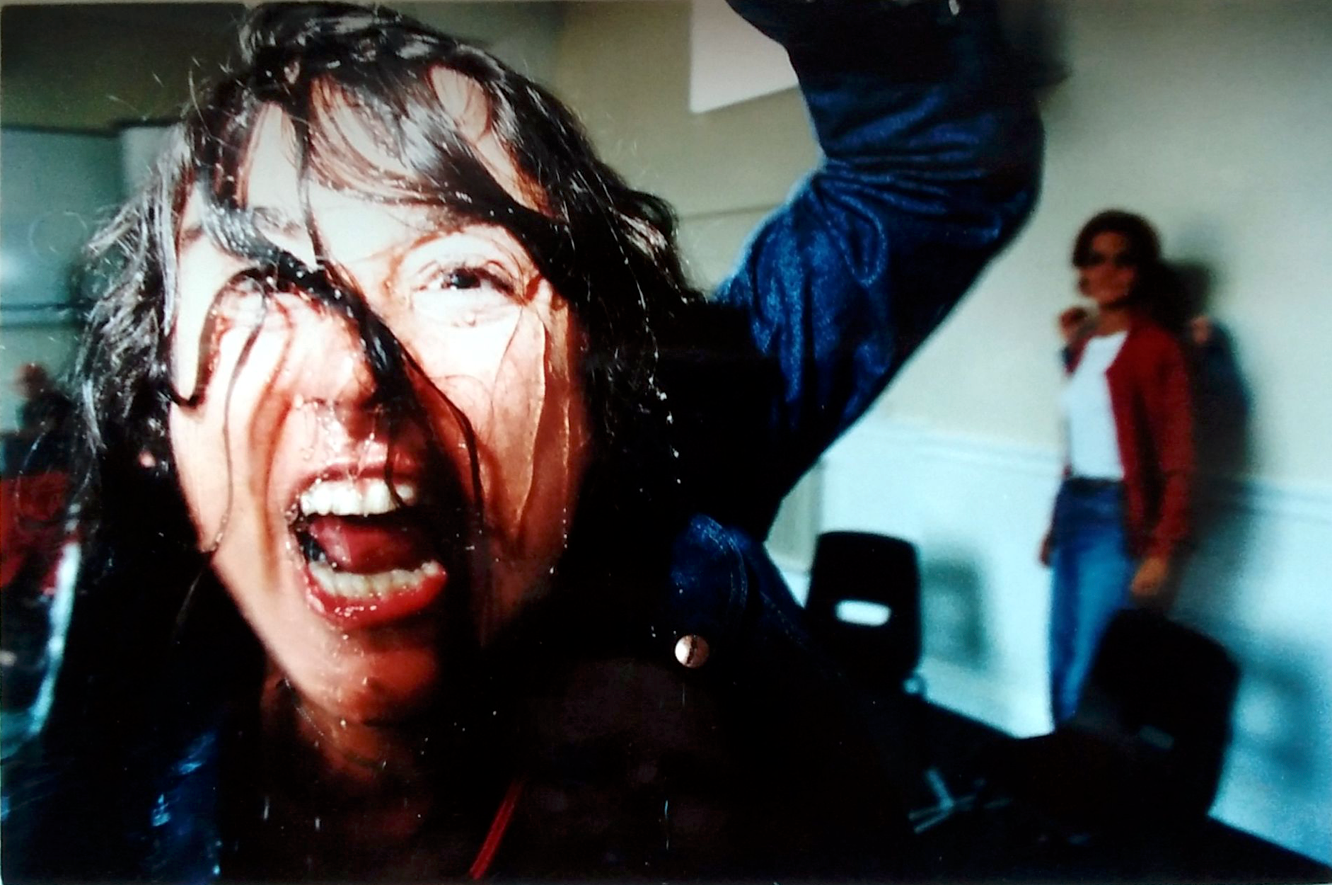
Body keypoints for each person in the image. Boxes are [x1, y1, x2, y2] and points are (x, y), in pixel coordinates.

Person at [1, 0, 1040, 880]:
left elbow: (929, 168)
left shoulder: (668, 470)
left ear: (595, 370)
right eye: (267, 284)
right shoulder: (127, 680)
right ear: (157, 400)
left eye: (463, 278)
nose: (354, 375)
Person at [1040, 210, 1193, 726]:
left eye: (1122, 260)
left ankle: (1078, 764)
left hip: (1117, 517)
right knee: (1060, 648)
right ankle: (1055, 756)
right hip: (1073, 508)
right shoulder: (1083, 347)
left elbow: (1178, 457)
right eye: (1095, 259)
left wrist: (1161, 549)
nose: (1107, 271)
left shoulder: (1159, 348)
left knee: (1091, 660)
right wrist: (1052, 527)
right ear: (1082, 271)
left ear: (1140, 271)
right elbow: (1082, 440)